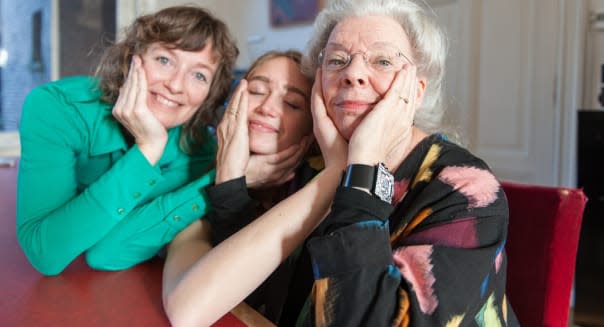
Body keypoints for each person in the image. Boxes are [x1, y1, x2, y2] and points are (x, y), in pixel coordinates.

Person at [162, 0, 520, 326]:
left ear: (416, 90)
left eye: (382, 60)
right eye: (336, 60)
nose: (353, 73)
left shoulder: (466, 190)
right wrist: (232, 181)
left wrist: (362, 168)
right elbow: (259, 288)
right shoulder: (316, 167)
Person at [16, 6, 238, 276]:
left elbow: (107, 252)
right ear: (133, 57)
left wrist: (217, 180)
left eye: (199, 75)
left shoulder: (199, 152)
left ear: (208, 95)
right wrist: (148, 149)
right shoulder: (56, 108)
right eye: (165, 60)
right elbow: (46, 253)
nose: (176, 85)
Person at [162, 49, 317, 324]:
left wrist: (232, 184)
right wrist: (229, 179)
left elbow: (269, 302)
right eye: (256, 91)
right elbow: (196, 304)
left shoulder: (316, 196)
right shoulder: (195, 171)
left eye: (292, 103)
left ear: (312, 131)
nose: (267, 107)